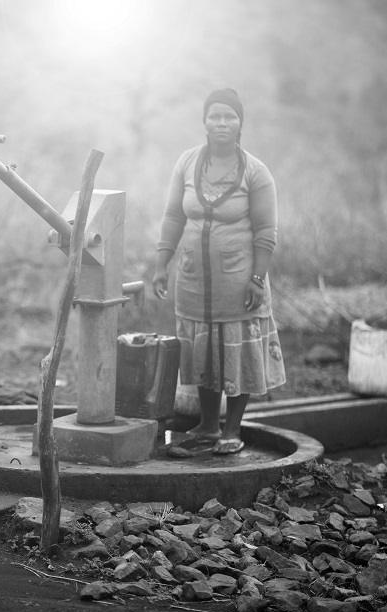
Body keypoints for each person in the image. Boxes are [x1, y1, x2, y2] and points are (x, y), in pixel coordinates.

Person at [152, 88, 286, 455]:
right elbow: (173, 216)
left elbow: (266, 232)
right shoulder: (187, 163)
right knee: (202, 350)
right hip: (194, 279)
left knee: (236, 353)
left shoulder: (256, 172)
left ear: (240, 122)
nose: (222, 123)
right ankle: (208, 427)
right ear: (205, 121)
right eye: (215, 116)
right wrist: (162, 264)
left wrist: (257, 279)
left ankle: (232, 429)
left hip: (239, 281)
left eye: (229, 116)